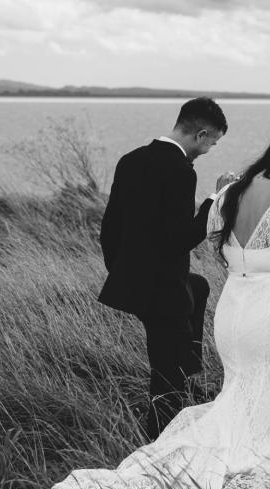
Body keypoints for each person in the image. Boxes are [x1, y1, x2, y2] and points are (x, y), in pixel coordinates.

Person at [52, 124, 270, 489]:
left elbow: (214, 243)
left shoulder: (233, 193)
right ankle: (269, 457)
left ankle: (258, 451)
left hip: (236, 311)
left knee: (242, 393)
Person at [96, 97, 233, 439]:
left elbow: (110, 227)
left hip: (133, 280)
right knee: (166, 376)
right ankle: (160, 440)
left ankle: (191, 369)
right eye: (212, 142)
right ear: (201, 134)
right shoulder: (180, 170)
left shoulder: (130, 160)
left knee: (198, 286)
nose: (209, 150)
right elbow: (181, 239)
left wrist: (123, 272)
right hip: (162, 289)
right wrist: (216, 201)